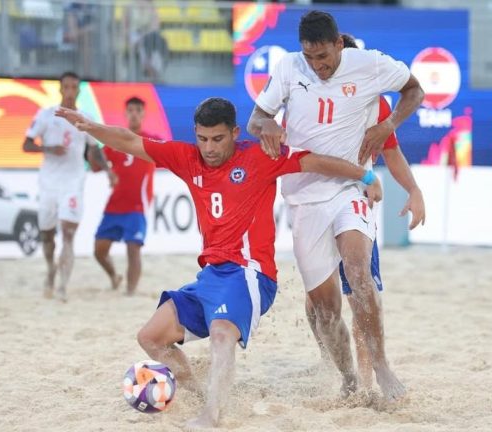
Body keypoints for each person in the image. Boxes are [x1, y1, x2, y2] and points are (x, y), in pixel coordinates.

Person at [55, 97, 379, 428]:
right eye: (202, 138)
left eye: (218, 139)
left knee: (221, 334)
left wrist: (365, 178)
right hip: (210, 276)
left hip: (251, 273)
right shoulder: (186, 157)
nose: (209, 148)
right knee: (150, 337)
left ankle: (212, 414)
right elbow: (129, 141)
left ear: (235, 133)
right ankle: (202, 392)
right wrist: (89, 126)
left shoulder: (260, 157)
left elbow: (316, 162)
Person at [247, 10, 424, 402]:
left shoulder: (369, 64)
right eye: (310, 57)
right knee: (324, 308)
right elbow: (254, 119)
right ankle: (346, 376)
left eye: (323, 56)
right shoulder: (288, 68)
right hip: (303, 197)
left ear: (339, 44)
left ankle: (381, 367)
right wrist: (269, 125)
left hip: (350, 187)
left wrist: (389, 124)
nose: (318, 65)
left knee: (359, 271)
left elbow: (415, 89)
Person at [305, 32, 427, 388]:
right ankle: (331, 360)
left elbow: (391, 151)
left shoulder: (376, 104)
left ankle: (369, 374)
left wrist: (414, 189)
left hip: (355, 201)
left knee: (359, 285)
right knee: (315, 300)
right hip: (314, 203)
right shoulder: (312, 101)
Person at [22, 71, 111, 302]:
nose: (71, 91)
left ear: (79, 90)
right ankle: (51, 269)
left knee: (69, 233)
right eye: (67, 87)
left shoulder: (85, 117)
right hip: (49, 183)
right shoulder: (46, 115)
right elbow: (27, 144)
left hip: (74, 182)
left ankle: (62, 286)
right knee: (47, 235)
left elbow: (94, 147)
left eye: (74, 87)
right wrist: (49, 149)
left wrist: (107, 171)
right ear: (60, 90)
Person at [90, 96, 157, 294]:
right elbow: (95, 165)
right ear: (126, 113)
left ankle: (130, 292)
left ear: (143, 114)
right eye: (131, 110)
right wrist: (91, 147)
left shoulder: (151, 140)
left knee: (133, 248)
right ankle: (114, 276)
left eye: (138, 110)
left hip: (138, 206)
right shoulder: (115, 141)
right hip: (115, 204)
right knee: (99, 251)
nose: (134, 113)